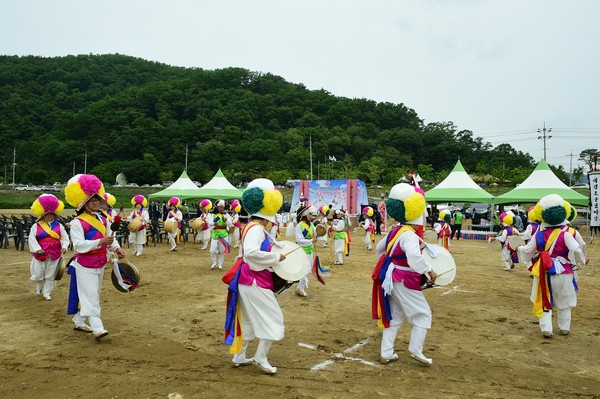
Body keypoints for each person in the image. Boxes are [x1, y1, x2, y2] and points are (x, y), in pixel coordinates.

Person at [224, 178, 286, 374]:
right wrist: (276, 257)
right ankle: (260, 357)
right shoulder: (257, 229)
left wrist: (277, 248)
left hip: (248, 280)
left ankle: (239, 356)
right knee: (274, 318)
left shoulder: (252, 227)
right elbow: (251, 253)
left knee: (249, 320)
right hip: (253, 281)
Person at [372, 183, 437, 366]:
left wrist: (393, 262)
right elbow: (415, 257)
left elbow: (379, 250)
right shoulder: (409, 235)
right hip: (404, 279)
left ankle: (386, 352)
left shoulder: (395, 231)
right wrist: (429, 270)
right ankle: (415, 350)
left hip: (391, 279)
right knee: (423, 314)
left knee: (395, 315)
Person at [64, 174, 125, 340]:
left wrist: (117, 248)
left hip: (100, 263)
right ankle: (98, 328)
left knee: (93, 295)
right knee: (91, 296)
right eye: (92, 200)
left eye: (97, 199)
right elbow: (78, 246)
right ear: (84, 204)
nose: (96, 202)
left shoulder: (103, 219)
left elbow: (110, 238)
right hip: (84, 265)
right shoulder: (77, 222)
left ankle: (79, 319)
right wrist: (100, 241)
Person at [519, 194, 587, 338]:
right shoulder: (568, 233)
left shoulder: (538, 233)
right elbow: (577, 248)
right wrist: (581, 260)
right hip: (565, 272)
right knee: (564, 301)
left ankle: (546, 328)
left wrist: (521, 251)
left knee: (544, 298)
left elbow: (527, 251)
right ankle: (564, 327)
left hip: (544, 272)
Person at [28, 194, 70, 300]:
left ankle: (47, 293)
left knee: (50, 274)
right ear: (43, 214)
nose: (50, 216)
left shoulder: (59, 226)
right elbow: (32, 238)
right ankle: (39, 285)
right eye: (48, 214)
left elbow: (65, 237)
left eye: (52, 214)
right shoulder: (36, 226)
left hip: (55, 252)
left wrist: (64, 246)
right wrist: (37, 249)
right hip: (40, 252)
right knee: (38, 274)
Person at [295, 204, 317, 297]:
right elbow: (299, 240)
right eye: (309, 214)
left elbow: (315, 234)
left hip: (310, 250)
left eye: (311, 215)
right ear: (304, 214)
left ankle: (300, 287)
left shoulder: (311, 225)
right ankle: (300, 288)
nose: (311, 216)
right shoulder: (299, 226)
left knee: (308, 270)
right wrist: (311, 240)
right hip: (302, 251)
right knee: (306, 270)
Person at [209, 200, 233, 270]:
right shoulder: (213, 215)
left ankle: (220, 264)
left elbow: (230, 224)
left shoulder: (226, 215)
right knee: (212, 250)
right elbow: (209, 222)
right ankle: (214, 263)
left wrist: (226, 221)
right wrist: (214, 224)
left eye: (222, 207)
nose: (221, 208)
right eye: (220, 207)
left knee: (222, 251)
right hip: (215, 233)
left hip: (223, 234)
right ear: (217, 207)